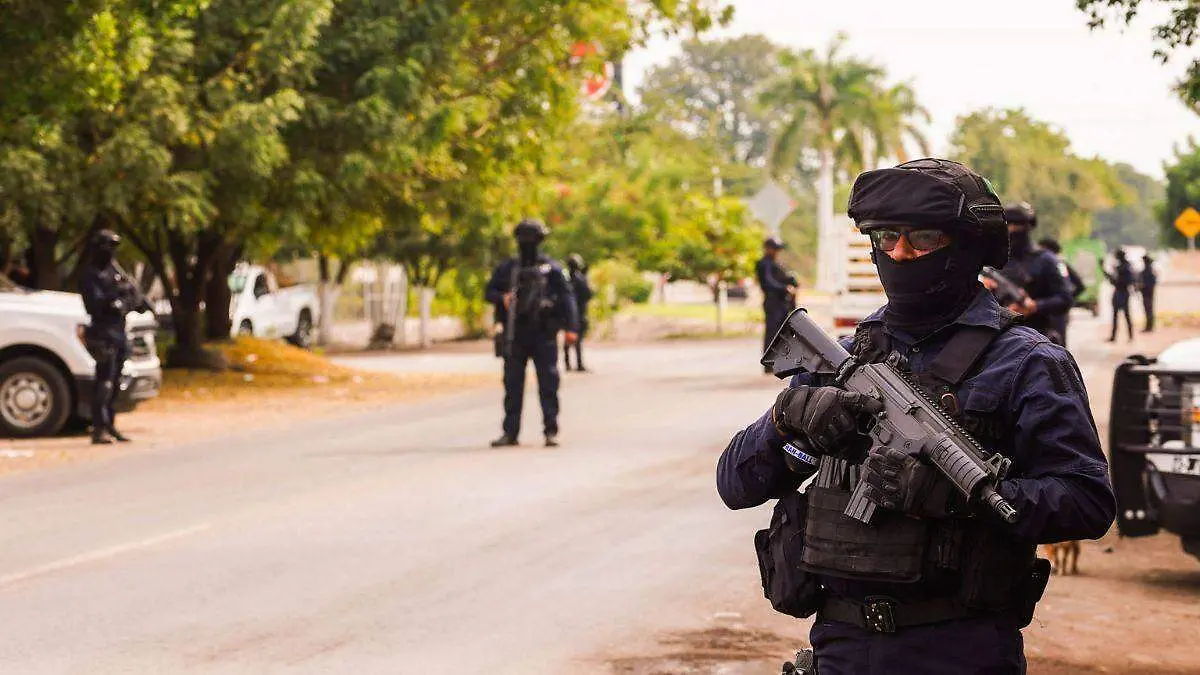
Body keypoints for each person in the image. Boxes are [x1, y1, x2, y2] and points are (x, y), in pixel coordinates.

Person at [716, 159, 1115, 675]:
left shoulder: (1028, 362)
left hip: (962, 649)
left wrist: (955, 499)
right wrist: (786, 423)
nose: (900, 253)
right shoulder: (844, 358)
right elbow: (735, 485)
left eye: (923, 238)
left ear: (966, 247)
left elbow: (1087, 502)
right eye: (886, 237)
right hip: (842, 648)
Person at [485, 219, 578, 448]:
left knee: (548, 383)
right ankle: (510, 432)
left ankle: (550, 430)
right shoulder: (508, 268)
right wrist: (503, 298)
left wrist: (571, 328)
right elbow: (489, 291)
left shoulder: (551, 269)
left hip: (543, 333)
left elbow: (567, 298)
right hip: (515, 334)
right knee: (512, 385)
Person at [78, 230, 150, 444]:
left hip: (119, 333)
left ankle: (110, 424)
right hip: (102, 333)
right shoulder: (91, 275)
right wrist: (116, 296)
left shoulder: (115, 272)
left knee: (116, 382)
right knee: (104, 382)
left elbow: (131, 302)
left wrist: (130, 299)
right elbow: (96, 305)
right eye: (108, 246)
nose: (110, 252)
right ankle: (99, 428)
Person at [993, 203, 1072, 346]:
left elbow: (1065, 298)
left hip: (1038, 338)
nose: (1012, 228)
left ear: (1029, 226)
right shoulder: (994, 260)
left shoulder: (1046, 259)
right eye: (1008, 224)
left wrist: (1034, 306)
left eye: (1017, 224)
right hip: (1000, 338)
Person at [756, 236, 798, 372]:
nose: (776, 252)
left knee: (783, 333)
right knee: (773, 333)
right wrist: (785, 288)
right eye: (774, 249)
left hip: (781, 302)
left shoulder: (775, 263)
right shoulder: (764, 264)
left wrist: (791, 281)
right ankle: (769, 364)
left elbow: (781, 277)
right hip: (773, 302)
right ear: (768, 248)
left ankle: (780, 362)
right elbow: (768, 282)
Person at [1037, 237, 1085, 346]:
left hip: (1048, 314)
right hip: (1059, 313)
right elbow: (1080, 286)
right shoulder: (1061, 264)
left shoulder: (1051, 264)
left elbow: (1079, 286)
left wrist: (1066, 299)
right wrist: (1067, 299)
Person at [564, 254, 593, 372]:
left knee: (569, 338)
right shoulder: (580, 279)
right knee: (577, 339)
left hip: (568, 312)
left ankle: (568, 364)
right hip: (579, 312)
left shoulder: (566, 278)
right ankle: (578, 364)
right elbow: (588, 294)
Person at [1105, 249, 1135, 343]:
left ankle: (1128, 336)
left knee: (1124, 316)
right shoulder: (1124, 267)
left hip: (1122, 293)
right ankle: (1119, 336)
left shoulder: (1124, 268)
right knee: (1120, 316)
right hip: (1121, 292)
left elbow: (1117, 281)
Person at [1139, 253, 1157, 333]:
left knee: (1148, 310)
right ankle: (1149, 326)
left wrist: (1142, 288)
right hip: (1147, 294)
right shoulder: (1149, 271)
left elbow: (1148, 284)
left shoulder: (1148, 272)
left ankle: (1149, 327)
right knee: (1148, 310)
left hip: (1147, 294)